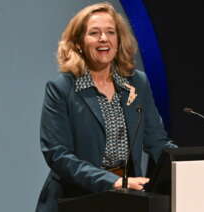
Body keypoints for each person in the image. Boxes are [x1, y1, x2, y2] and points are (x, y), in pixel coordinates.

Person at [36, 2, 176, 212]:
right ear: (79, 43)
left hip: (127, 200)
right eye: (94, 33)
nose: (104, 39)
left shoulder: (137, 82)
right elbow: (58, 155)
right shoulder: (62, 88)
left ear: (119, 41)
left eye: (111, 32)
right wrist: (113, 181)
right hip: (75, 200)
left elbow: (156, 140)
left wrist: (184, 165)